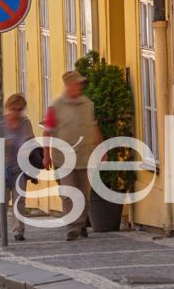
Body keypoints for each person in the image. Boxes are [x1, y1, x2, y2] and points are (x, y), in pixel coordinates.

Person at [43, 70, 101, 241]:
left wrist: (101, 149)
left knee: (84, 194)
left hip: (85, 155)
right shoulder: (56, 106)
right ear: (68, 85)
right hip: (64, 157)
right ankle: (72, 226)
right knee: (68, 192)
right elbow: (48, 131)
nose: (80, 86)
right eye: (77, 83)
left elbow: (94, 127)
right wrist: (46, 154)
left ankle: (81, 223)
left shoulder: (88, 105)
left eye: (81, 83)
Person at [0, 93, 37, 240]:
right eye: (13, 109)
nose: (16, 112)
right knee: (2, 199)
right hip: (1, 167)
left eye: (19, 109)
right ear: (8, 108)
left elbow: (31, 141)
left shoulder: (25, 123)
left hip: (19, 168)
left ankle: (18, 231)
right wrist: (2, 145)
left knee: (19, 200)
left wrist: (28, 150)